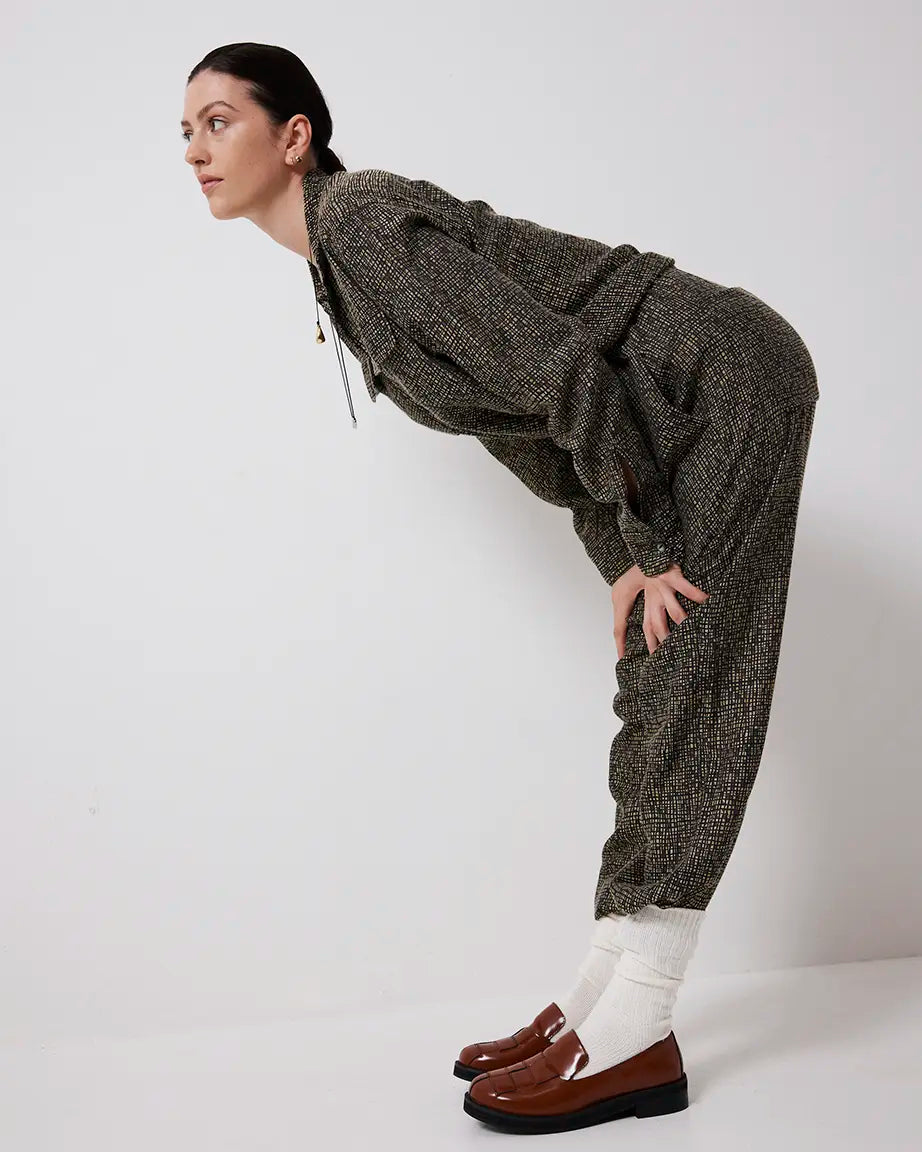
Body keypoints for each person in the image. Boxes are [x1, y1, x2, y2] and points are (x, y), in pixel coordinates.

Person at [181, 42, 819, 1136]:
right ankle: (600, 1002)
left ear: (295, 139)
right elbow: (523, 427)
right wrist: (621, 557)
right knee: (657, 673)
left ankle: (640, 1028)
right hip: (674, 403)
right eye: (184, 131)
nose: (194, 149)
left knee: (691, 674)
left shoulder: (366, 226)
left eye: (219, 121)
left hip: (718, 379)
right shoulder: (338, 269)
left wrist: (653, 540)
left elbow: (565, 369)